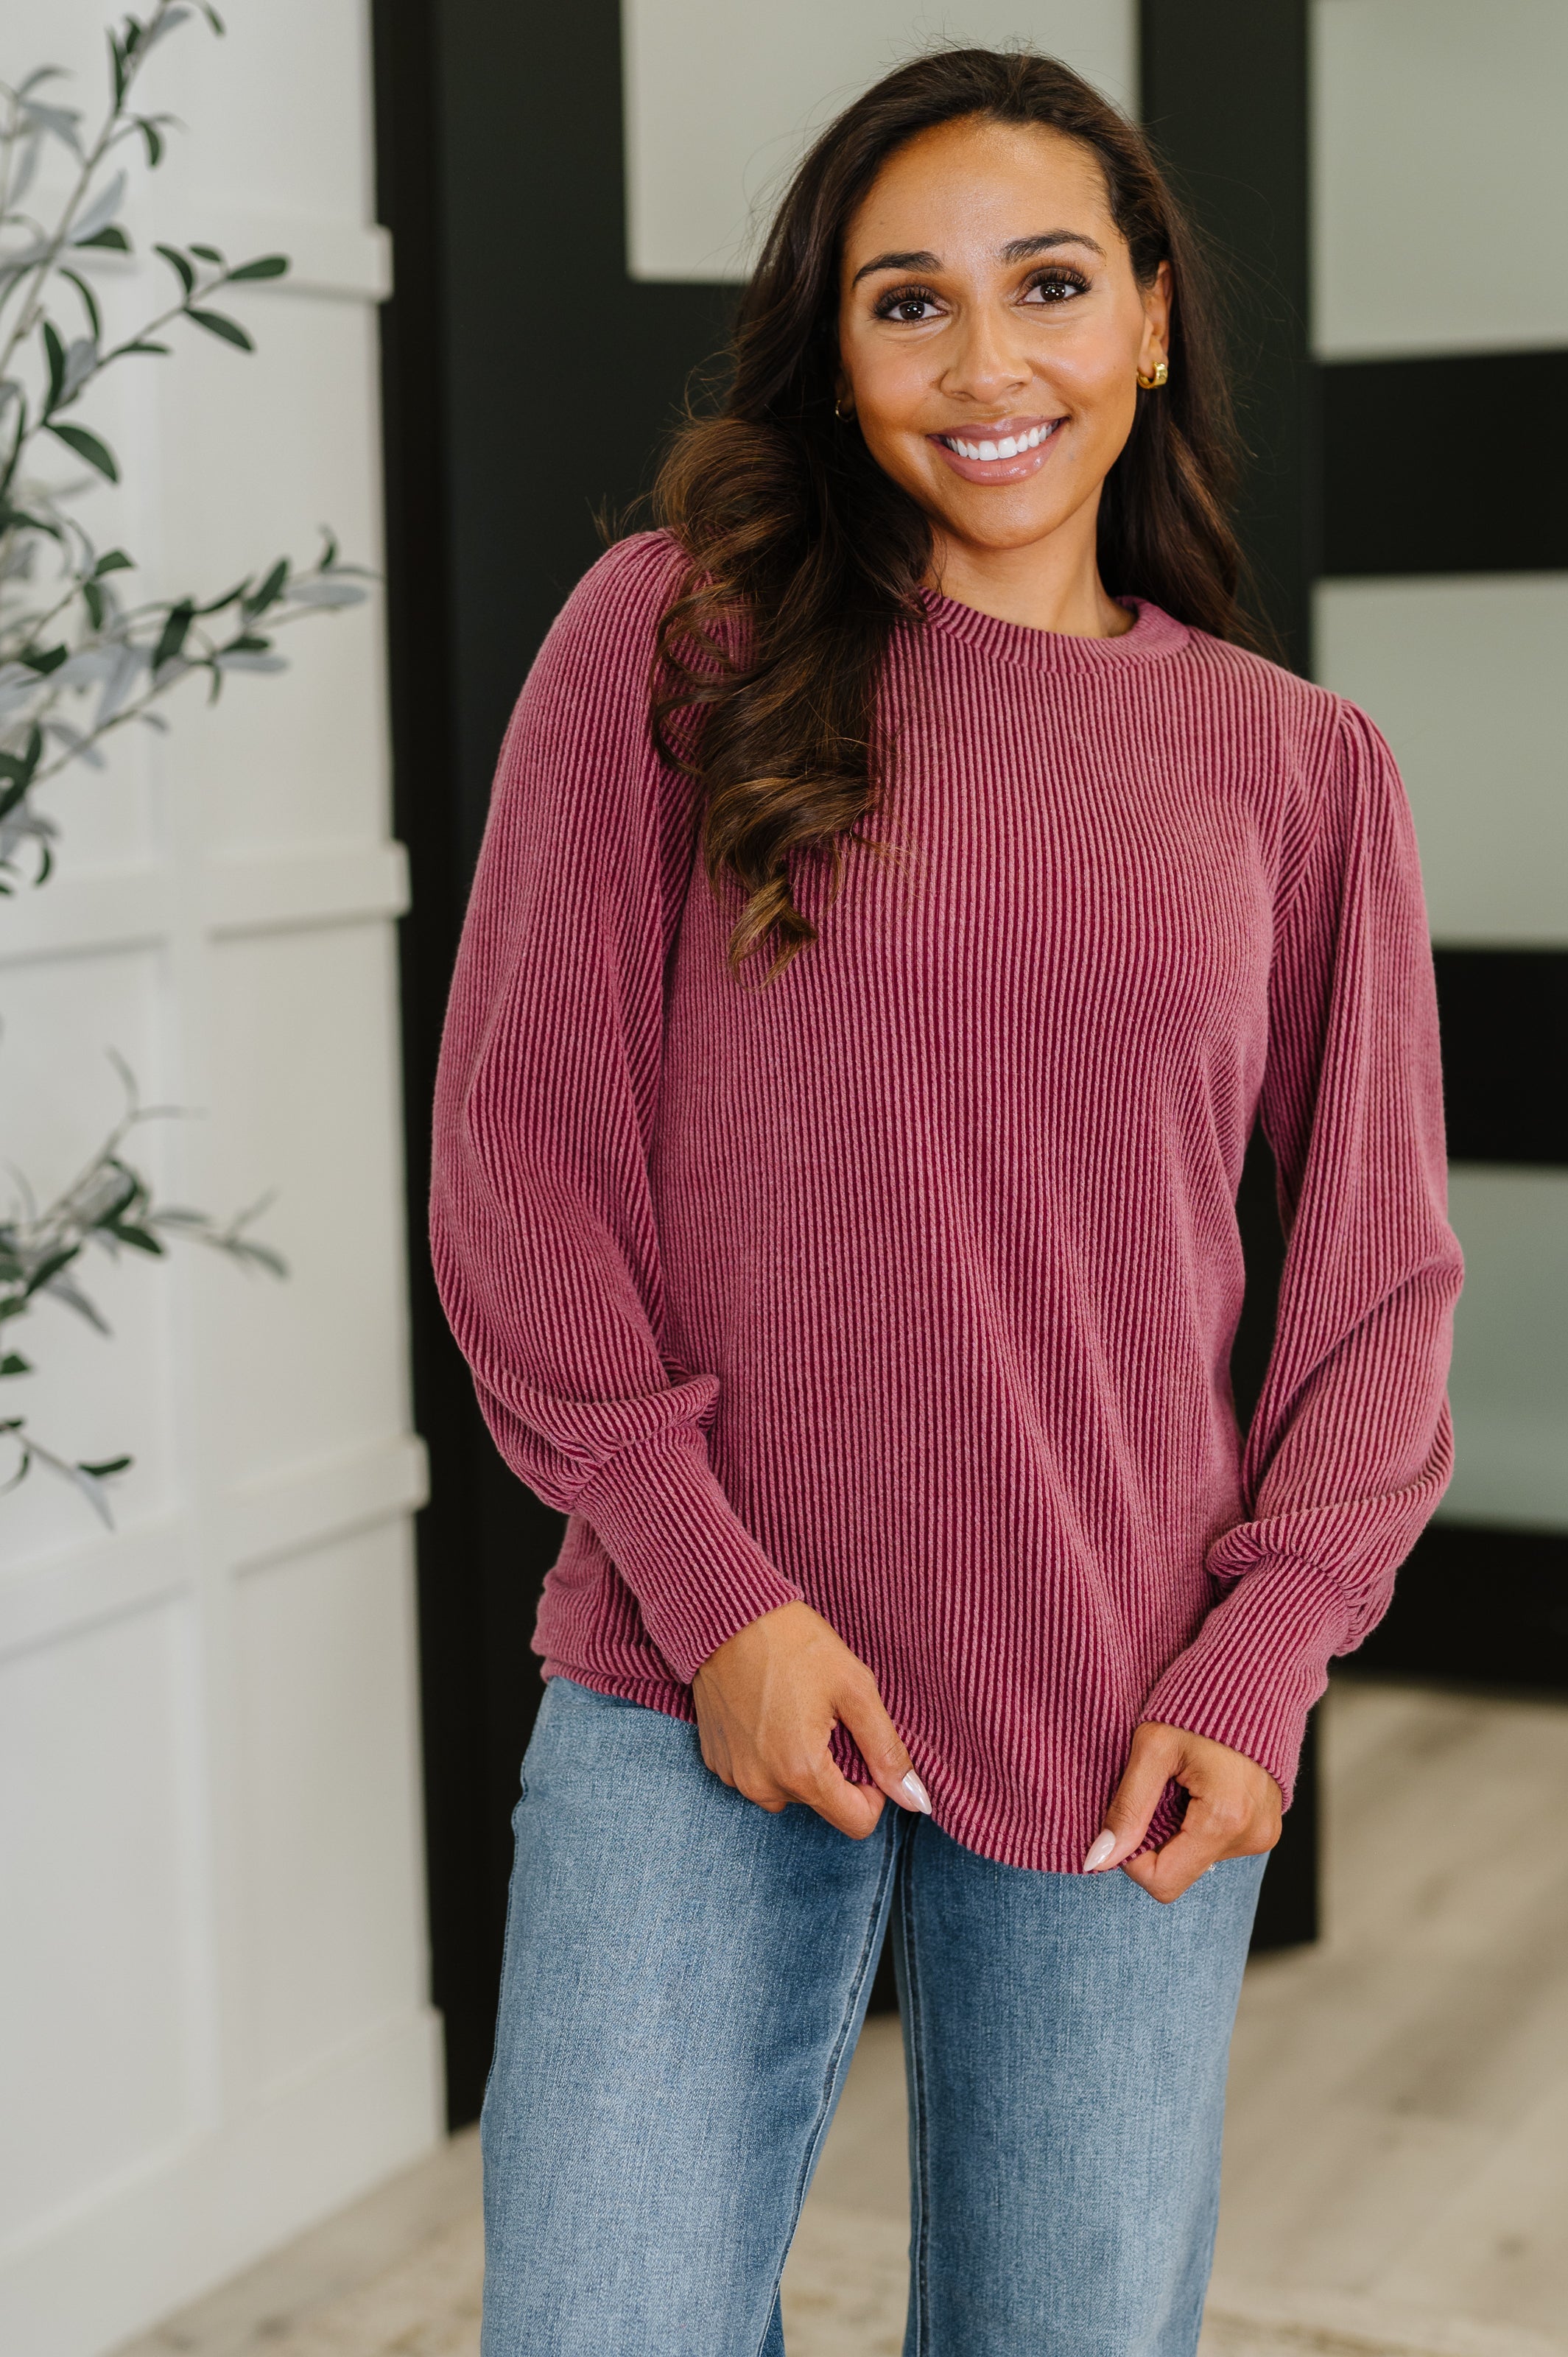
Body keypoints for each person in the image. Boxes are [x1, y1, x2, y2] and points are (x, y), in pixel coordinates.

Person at [430, 46, 1463, 2357]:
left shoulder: (1296, 771)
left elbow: (1374, 1282)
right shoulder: (670, 642)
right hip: (691, 1655)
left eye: (1050, 285)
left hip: (1122, 1702)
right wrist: (716, 1600)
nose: (986, 366)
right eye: (909, 304)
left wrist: (1267, 1640)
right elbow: (521, 1168)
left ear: (1155, 319)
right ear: (831, 346)